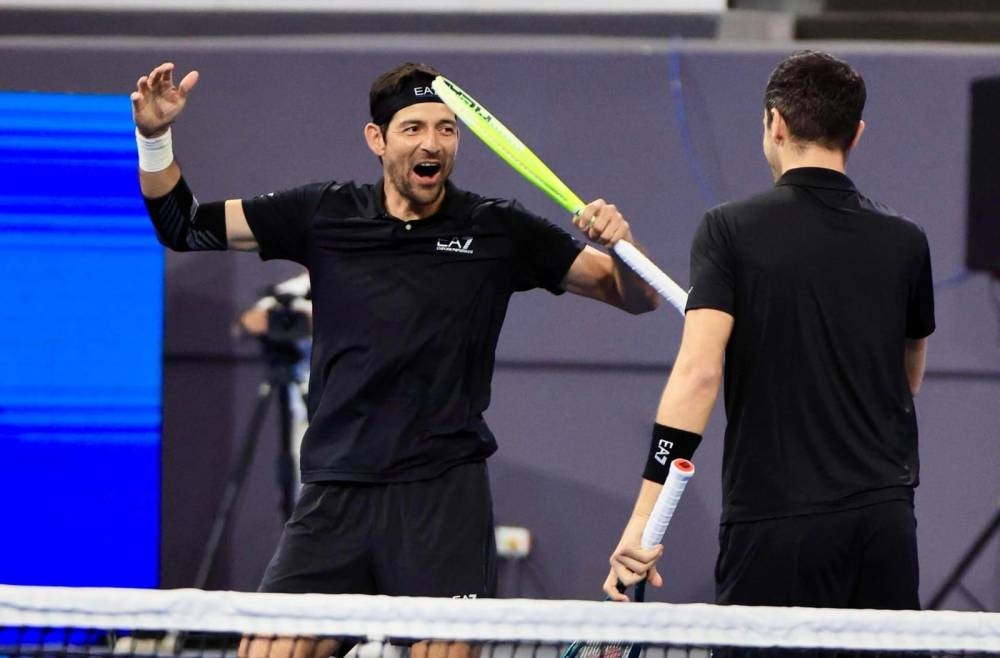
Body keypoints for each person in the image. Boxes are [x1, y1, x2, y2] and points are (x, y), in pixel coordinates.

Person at [131, 61, 659, 656]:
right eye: (412, 128)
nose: (432, 142)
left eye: (446, 128)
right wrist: (154, 138)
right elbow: (182, 226)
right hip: (336, 493)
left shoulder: (497, 229)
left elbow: (632, 297)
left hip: (442, 497)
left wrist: (623, 245)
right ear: (377, 139)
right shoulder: (321, 214)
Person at [605, 50, 935, 621]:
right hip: (884, 523)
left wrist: (641, 521)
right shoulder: (907, 241)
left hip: (776, 526)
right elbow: (906, 379)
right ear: (855, 133)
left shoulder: (728, 230)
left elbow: (699, 374)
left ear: (774, 123)